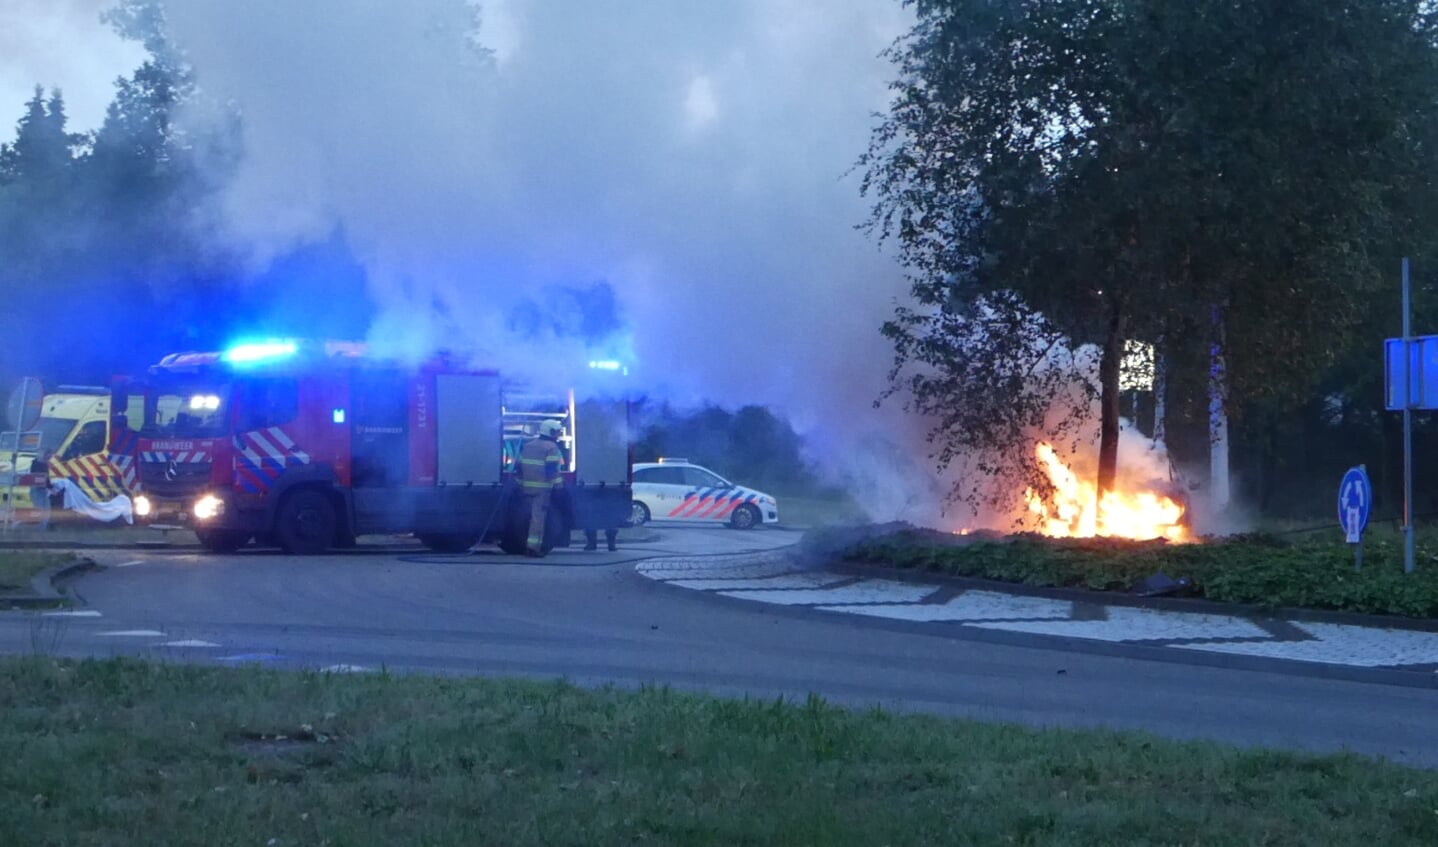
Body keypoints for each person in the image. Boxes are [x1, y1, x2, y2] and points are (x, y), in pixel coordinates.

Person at [516, 419, 565, 557]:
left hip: (526, 488)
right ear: (549, 431)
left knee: (526, 517)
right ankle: (533, 548)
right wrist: (559, 486)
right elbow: (552, 470)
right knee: (537, 519)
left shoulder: (528, 445)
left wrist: (520, 484)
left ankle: (526, 545)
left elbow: (519, 467)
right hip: (542, 490)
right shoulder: (551, 447)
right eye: (556, 432)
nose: (558, 435)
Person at [29, 449, 53, 530]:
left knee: (44, 509)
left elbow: (45, 478)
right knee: (42, 509)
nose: (50, 458)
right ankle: (40, 528)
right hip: (38, 488)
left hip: (40, 488)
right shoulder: (40, 464)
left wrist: (50, 487)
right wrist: (51, 487)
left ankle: (42, 528)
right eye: (49, 456)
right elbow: (44, 477)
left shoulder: (40, 463)